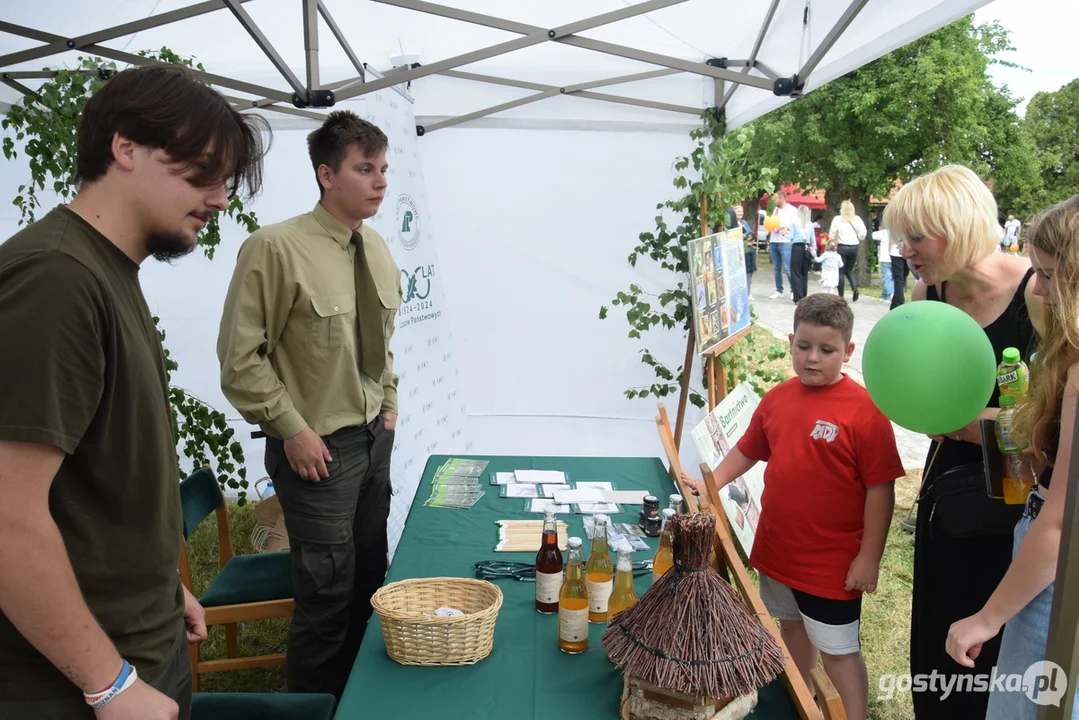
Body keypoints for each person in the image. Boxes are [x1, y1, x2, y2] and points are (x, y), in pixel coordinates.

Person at [0, 66, 267, 719]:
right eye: (204, 173)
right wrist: (108, 684)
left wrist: (163, 589)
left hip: (139, 648)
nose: (220, 199)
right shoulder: (56, 278)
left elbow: (104, 473)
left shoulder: (105, 267)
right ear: (125, 149)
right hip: (70, 685)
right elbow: (7, 514)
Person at [217, 110, 402, 700]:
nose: (380, 182)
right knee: (325, 597)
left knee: (370, 578)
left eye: (383, 169)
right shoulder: (275, 248)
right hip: (317, 451)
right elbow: (241, 360)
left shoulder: (373, 247)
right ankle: (312, 709)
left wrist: (389, 404)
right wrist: (291, 430)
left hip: (373, 439)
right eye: (365, 169)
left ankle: (357, 700)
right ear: (326, 174)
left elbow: (380, 341)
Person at [682, 294, 902, 720]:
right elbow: (748, 449)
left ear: (848, 351)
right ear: (790, 341)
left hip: (832, 565)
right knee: (791, 628)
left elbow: (881, 490)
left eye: (827, 350)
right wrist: (711, 486)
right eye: (803, 346)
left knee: (839, 653)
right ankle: (800, 700)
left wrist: (869, 557)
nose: (812, 358)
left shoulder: (866, 413)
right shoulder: (778, 398)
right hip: (778, 551)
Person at [885, 164, 1044, 719]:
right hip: (950, 499)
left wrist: (971, 423)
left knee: (996, 655)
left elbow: (1051, 423)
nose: (905, 249)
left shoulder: (1038, 293)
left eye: (917, 236)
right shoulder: (930, 292)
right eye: (901, 236)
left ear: (959, 225)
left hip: (1020, 507)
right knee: (938, 645)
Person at [946, 195, 1079, 719]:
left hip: (1057, 576)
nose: (1037, 287)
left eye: (1049, 274)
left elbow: (1061, 517)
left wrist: (986, 618)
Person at [828, 200, 867, 301]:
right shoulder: (857, 219)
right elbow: (863, 234)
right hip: (854, 247)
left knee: (840, 272)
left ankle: (841, 295)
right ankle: (855, 289)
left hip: (842, 247)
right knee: (849, 269)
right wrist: (858, 238)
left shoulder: (837, 219)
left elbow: (832, 235)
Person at [768, 191, 799, 299]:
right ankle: (779, 289)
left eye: (775, 199)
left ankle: (793, 290)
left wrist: (783, 228)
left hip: (785, 241)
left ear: (781, 199)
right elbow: (770, 222)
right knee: (776, 267)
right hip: (774, 240)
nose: (774, 201)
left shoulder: (792, 210)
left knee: (787, 267)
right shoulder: (775, 210)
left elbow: (795, 225)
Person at [790, 205, 816, 302]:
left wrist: (782, 232)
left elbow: (790, 236)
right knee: (804, 272)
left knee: (796, 272)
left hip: (797, 247)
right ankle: (804, 294)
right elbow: (813, 240)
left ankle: (798, 296)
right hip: (807, 247)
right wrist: (814, 252)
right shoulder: (810, 224)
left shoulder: (795, 223)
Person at [877, 227, 893, 304]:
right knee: (892, 278)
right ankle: (885, 296)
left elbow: (873, 235)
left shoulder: (883, 232)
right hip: (894, 257)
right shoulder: (898, 231)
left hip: (885, 258)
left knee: (886, 278)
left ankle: (891, 294)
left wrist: (880, 230)